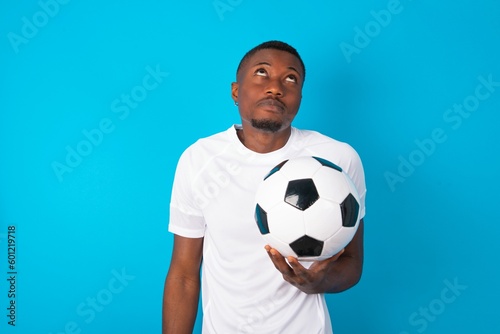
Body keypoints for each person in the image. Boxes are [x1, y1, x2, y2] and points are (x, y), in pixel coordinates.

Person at [162, 40, 366, 334]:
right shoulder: (200, 159)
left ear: (300, 97)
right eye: (261, 73)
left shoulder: (338, 159)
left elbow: (352, 265)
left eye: (291, 78)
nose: (276, 87)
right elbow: (183, 274)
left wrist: (319, 281)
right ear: (235, 91)